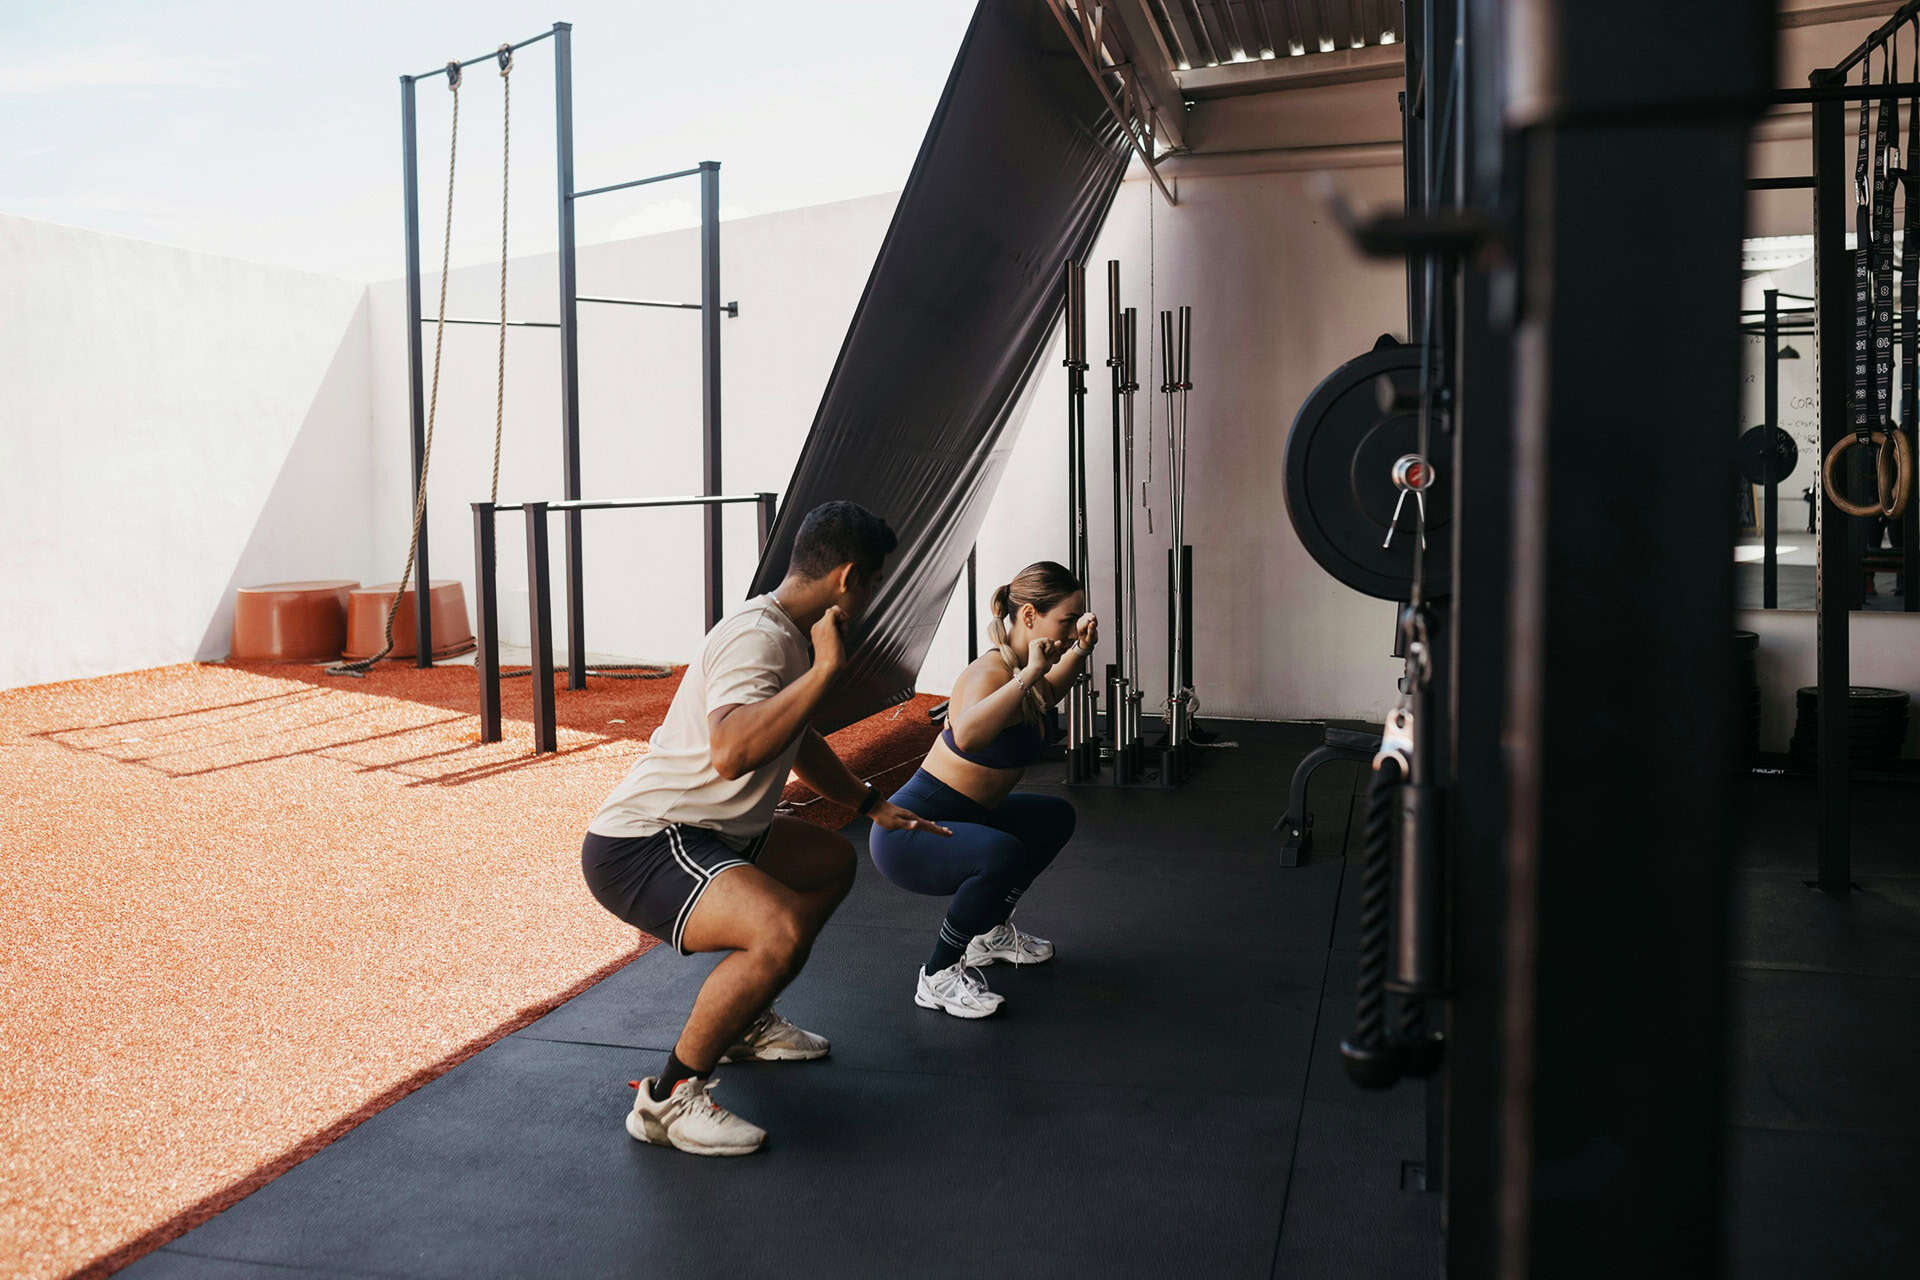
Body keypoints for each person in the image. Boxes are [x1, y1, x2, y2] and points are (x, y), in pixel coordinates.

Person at [581, 501, 952, 1156]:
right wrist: (826, 670)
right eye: (873, 584)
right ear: (848, 578)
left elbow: (794, 736)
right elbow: (731, 751)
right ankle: (668, 1100)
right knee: (777, 931)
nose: (871, 599)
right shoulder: (760, 636)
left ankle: (745, 1023)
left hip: (715, 833)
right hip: (648, 841)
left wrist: (869, 803)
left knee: (829, 863)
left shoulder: (791, 634)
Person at [867, 561, 1091, 1018]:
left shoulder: (1022, 669)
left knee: (1053, 818)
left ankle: (989, 934)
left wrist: (1079, 652)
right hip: (908, 833)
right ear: (1029, 616)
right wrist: (1030, 673)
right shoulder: (989, 673)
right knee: (1001, 853)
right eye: (1067, 621)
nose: (1072, 630)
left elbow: (1045, 694)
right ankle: (937, 975)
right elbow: (968, 736)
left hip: (967, 816)